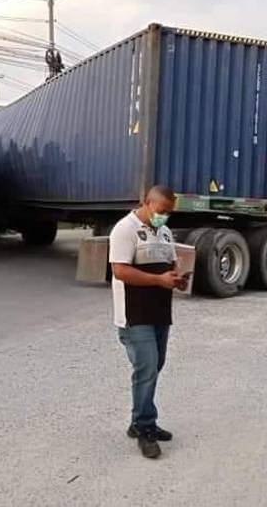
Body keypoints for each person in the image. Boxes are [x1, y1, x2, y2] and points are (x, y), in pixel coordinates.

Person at [109, 185, 187, 459]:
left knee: (156, 365)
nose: (164, 216)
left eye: (169, 212)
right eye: (161, 211)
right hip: (135, 314)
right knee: (147, 368)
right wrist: (158, 280)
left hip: (159, 312)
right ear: (146, 202)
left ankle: (139, 421)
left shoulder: (164, 232)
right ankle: (144, 427)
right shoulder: (125, 230)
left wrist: (177, 278)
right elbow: (120, 271)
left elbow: (172, 264)